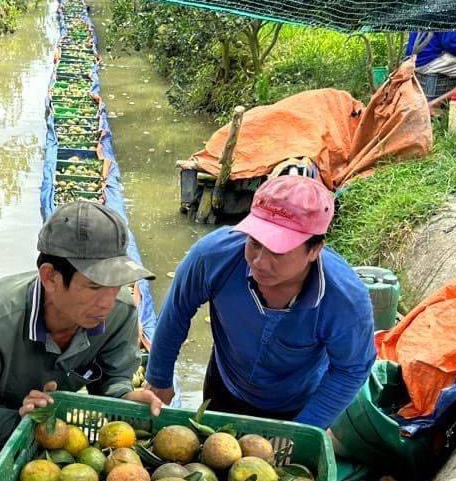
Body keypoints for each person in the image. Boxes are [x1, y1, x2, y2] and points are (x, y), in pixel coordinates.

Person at [0, 201, 163, 481]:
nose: (108, 301)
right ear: (51, 277)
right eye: (94, 285)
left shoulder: (121, 312)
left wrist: (124, 397)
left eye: (116, 283)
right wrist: (19, 422)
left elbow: (112, 381)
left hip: (56, 438)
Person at [144, 173, 375, 428]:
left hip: (297, 401)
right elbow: (178, 309)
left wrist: (305, 428)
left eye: (277, 251)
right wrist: (159, 377)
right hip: (225, 384)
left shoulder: (345, 300)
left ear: (314, 250)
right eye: (254, 242)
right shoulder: (213, 256)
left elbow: (351, 368)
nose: (259, 261)